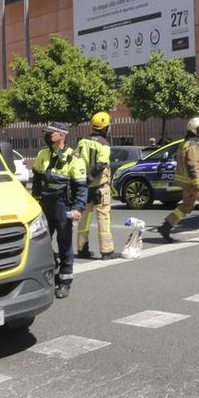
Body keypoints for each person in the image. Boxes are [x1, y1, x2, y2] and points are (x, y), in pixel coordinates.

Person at [31, 122, 87, 299]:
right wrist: (35, 198)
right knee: (41, 241)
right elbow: (37, 180)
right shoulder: (43, 153)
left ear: (61, 135)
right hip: (45, 203)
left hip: (63, 205)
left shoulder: (74, 158)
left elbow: (81, 187)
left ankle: (64, 282)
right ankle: (50, 272)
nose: (47, 136)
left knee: (64, 244)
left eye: (51, 133)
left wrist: (78, 208)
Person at [158, 117, 199, 244]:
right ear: (196, 130)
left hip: (188, 183)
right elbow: (193, 166)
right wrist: (198, 186)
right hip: (194, 184)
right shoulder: (193, 146)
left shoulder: (187, 144)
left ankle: (166, 226)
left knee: (187, 205)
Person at [75, 112, 115, 261]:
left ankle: (81, 249)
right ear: (104, 128)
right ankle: (107, 251)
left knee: (84, 219)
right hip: (100, 186)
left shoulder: (82, 142)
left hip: (85, 187)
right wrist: (91, 178)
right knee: (103, 217)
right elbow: (101, 164)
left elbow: (76, 160)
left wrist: (84, 181)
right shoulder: (104, 144)